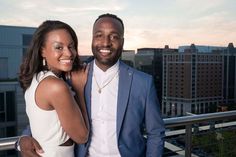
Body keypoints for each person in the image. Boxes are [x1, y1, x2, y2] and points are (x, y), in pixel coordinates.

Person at [17, 13, 165, 157]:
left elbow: (156, 133)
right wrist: (23, 138)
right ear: (92, 39)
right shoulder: (72, 76)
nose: (106, 42)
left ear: (122, 41)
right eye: (99, 35)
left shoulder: (143, 82)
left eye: (114, 36)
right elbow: (49, 118)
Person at [18, 20, 89, 157]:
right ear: (42, 51)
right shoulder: (55, 86)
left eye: (71, 46)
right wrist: (79, 89)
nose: (69, 53)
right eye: (59, 47)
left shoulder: (36, 78)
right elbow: (82, 137)